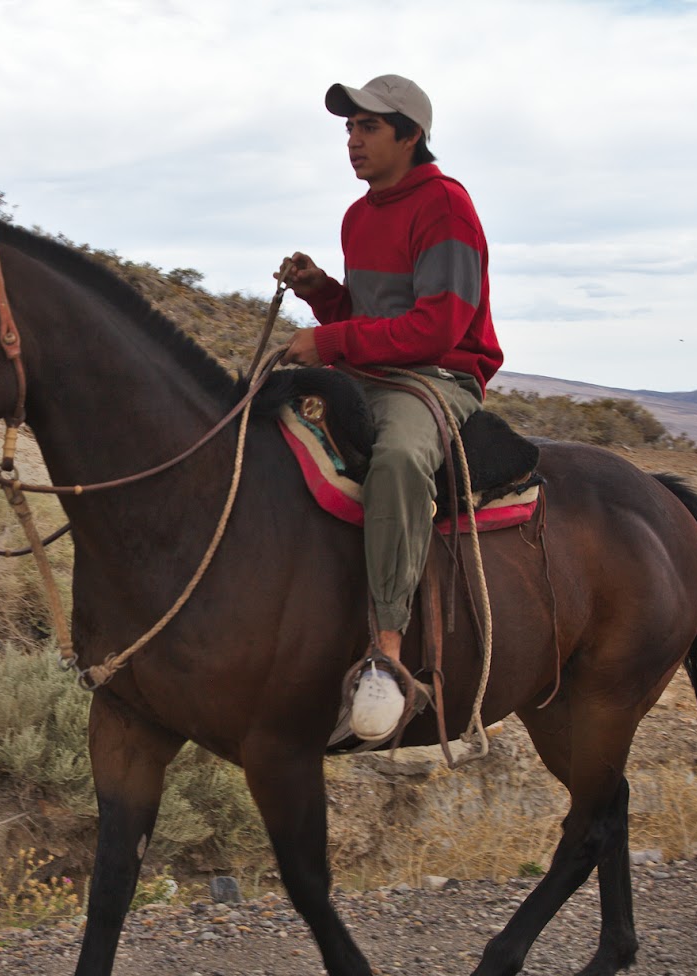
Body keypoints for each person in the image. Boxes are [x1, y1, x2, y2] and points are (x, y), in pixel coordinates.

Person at [276, 74, 504, 743]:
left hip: (435, 377)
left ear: (410, 135)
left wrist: (328, 339)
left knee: (400, 460)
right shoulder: (358, 214)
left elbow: (435, 328)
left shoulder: (446, 207)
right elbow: (371, 317)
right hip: (371, 372)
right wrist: (323, 295)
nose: (353, 140)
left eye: (368, 127)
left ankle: (387, 655)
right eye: (349, 128)